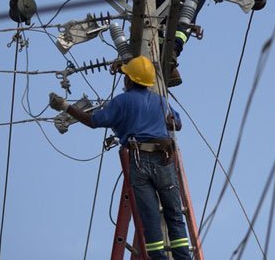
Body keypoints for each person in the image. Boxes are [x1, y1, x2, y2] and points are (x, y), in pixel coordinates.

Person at [48, 56, 192, 260]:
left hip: (139, 161)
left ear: (129, 80)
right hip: (164, 159)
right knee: (175, 216)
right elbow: (176, 124)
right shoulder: (161, 101)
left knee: (150, 218)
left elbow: (93, 121)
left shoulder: (122, 102)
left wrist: (65, 106)